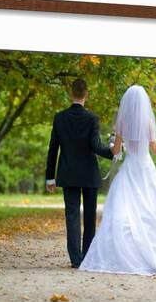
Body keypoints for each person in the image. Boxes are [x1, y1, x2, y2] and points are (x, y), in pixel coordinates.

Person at [78, 84, 156, 277]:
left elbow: (115, 151)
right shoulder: (148, 122)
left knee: (122, 212)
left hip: (129, 169)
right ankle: (147, 252)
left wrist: (114, 143)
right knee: (150, 211)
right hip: (145, 170)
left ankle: (123, 255)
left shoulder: (122, 124)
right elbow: (155, 149)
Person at [45, 78, 113, 268]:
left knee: (72, 216)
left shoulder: (59, 118)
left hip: (68, 174)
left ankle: (76, 260)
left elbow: (53, 149)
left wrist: (50, 177)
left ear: (71, 93)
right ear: (87, 95)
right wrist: (113, 152)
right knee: (90, 216)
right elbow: (95, 146)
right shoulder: (92, 118)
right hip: (89, 174)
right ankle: (88, 257)